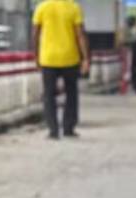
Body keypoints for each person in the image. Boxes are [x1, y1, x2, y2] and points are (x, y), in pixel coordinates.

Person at [32, 0, 89, 139]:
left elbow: (35, 35)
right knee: (71, 93)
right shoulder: (74, 8)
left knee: (49, 95)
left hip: (48, 58)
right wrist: (86, 58)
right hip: (70, 57)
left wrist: (36, 55)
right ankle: (68, 128)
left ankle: (53, 130)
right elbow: (80, 35)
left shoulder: (42, 7)